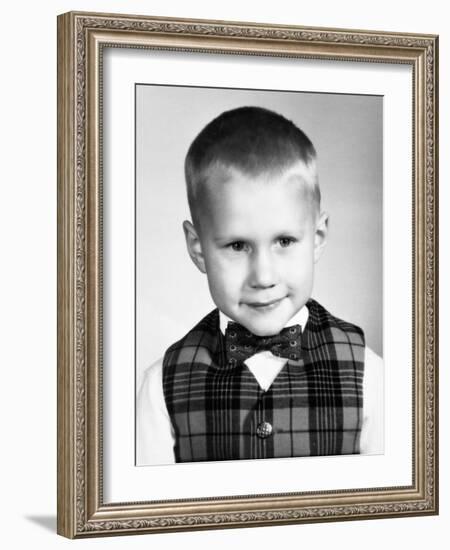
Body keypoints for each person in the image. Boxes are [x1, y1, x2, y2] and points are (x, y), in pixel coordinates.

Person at [137, 106, 383, 465]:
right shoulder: (161, 386)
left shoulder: (370, 376)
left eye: (284, 241)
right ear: (197, 248)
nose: (264, 277)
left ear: (317, 237)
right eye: (238, 246)